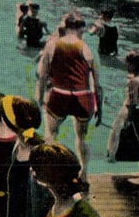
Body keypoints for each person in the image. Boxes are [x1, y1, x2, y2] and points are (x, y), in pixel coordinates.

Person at [36, 12, 102, 185]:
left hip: (60, 94)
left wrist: (40, 100)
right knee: (82, 138)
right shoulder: (87, 48)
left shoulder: (52, 45)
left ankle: (50, 174)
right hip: (83, 97)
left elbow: (42, 76)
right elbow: (97, 84)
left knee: (51, 135)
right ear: (80, 29)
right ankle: (84, 173)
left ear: (65, 28)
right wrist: (100, 110)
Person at [107, 50, 139, 186]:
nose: (126, 66)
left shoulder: (134, 82)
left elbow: (132, 104)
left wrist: (128, 121)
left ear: (134, 66)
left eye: (128, 63)